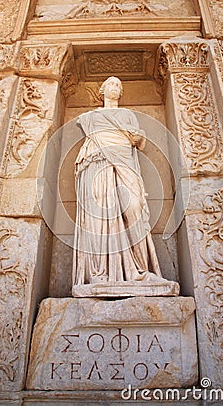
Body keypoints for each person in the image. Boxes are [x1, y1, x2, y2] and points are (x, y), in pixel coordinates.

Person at [72, 76, 179, 297]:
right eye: (111, 84)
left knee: (134, 210)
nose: (115, 87)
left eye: (118, 86)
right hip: (96, 161)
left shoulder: (128, 115)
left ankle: (139, 269)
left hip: (125, 162)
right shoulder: (89, 118)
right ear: (102, 90)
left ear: (121, 93)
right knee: (100, 216)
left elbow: (138, 140)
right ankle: (99, 274)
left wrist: (134, 135)